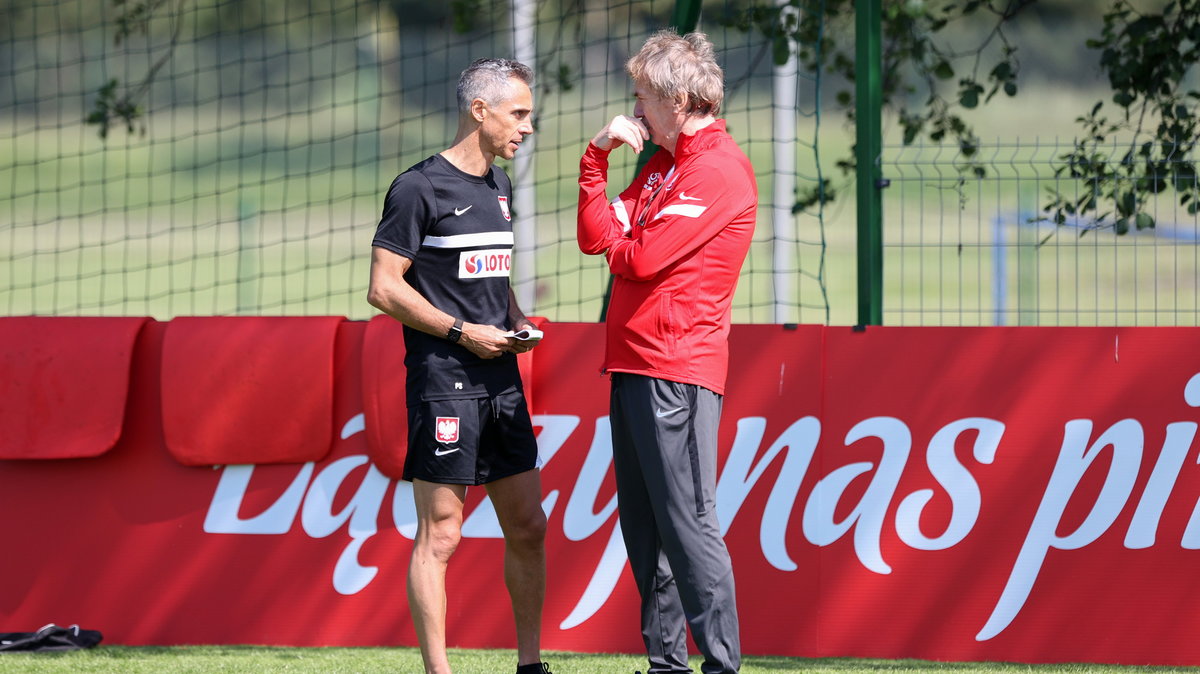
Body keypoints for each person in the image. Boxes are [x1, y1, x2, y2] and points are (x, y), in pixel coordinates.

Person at [576, 30, 756, 674]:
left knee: (688, 526)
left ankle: (720, 665)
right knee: (645, 529)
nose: (634, 111)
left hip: (675, 368)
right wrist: (595, 161)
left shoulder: (714, 167)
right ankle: (666, 664)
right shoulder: (663, 162)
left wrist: (625, 249)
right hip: (631, 363)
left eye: (643, 97)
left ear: (678, 99)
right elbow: (595, 236)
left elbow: (640, 256)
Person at [367, 58, 551, 674]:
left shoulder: (500, 187)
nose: (527, 126)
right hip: (443, 381)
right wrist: (459, 331)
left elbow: (494, 286)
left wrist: (517, 322)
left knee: (528, 525)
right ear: (481, 110)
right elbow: (384, 288)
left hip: (501, 378)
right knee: (441, 534)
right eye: (519, 113)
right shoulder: (417, 187)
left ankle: (530, 665)